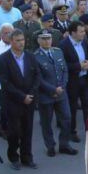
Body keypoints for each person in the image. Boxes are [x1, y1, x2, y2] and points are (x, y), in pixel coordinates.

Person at [0, 29, 41, 170]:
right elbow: (5, 82)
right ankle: (13, 156)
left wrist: (31, 94)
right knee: (14, 131)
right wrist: (22, 97)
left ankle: (27, 157)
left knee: (28, 130)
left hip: (30, 100)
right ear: (11, 41)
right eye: (18, 40)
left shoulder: (30, 56)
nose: (21, 43)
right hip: (13, 101)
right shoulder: (2, 59)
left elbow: (37, 76)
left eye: (22, 40)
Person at [33, 29, 77, 157]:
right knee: (46, 122)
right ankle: (50, 145)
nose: (47, 41)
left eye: (49, 38)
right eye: (44, 38)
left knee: (67, 118)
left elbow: (64, 71)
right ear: (39, 40)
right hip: (45, 95)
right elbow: (38, 78)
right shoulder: (35, 56)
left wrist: (61, 87)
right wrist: (53, 90)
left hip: (61, 93)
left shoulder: (58, 52)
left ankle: (64, 144)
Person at [60, 21, 88, 142]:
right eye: (81, 32)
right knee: (72, 107)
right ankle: (72, 131)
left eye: (84, 31)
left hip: (85, 79)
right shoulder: (63, 45)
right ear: (73, 32)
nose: (84, 34)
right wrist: (79, 66)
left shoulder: (85, 42)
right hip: (72, 81)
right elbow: (63, 65)